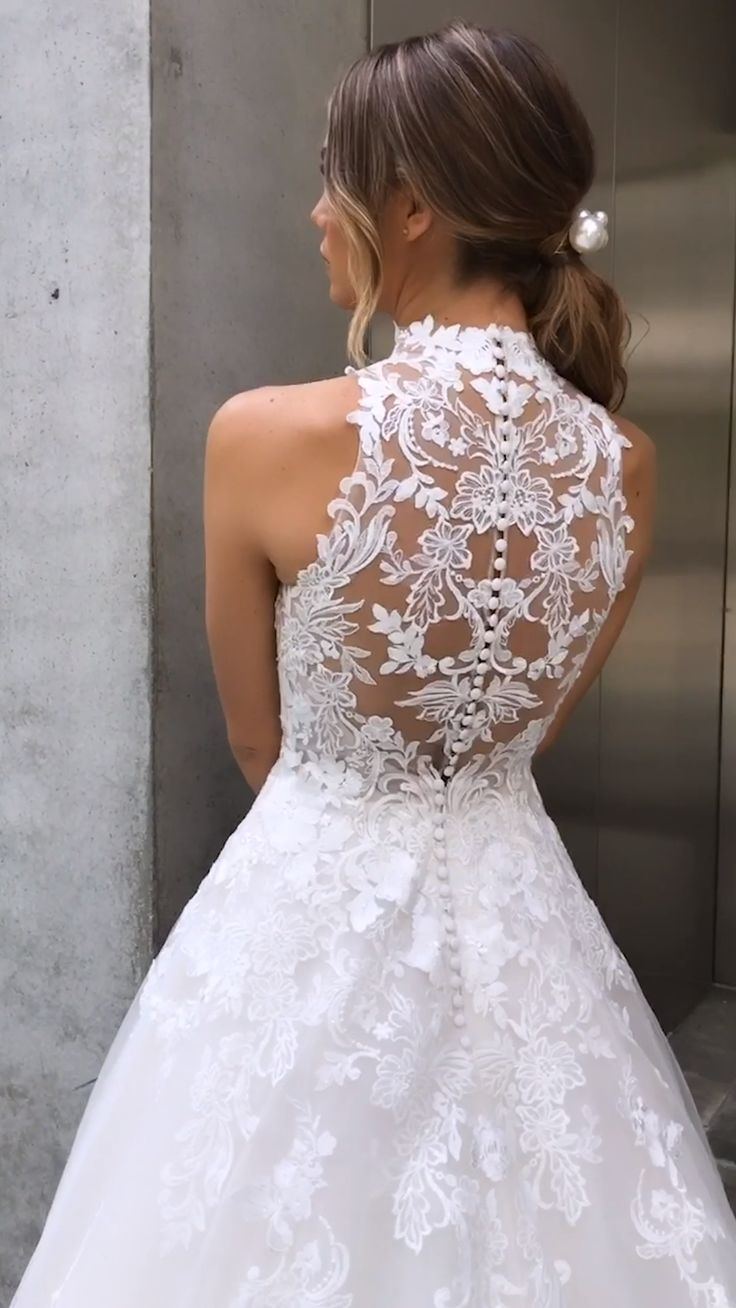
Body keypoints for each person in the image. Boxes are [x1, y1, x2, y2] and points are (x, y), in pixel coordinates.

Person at [10, 21, 736, 1308]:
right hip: (525, 919)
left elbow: (257, 745)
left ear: (405, 208)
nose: (311, 214)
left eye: (328, 179)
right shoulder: (624, 463)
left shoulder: (268, 436)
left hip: (309, 902)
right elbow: (530, 730)